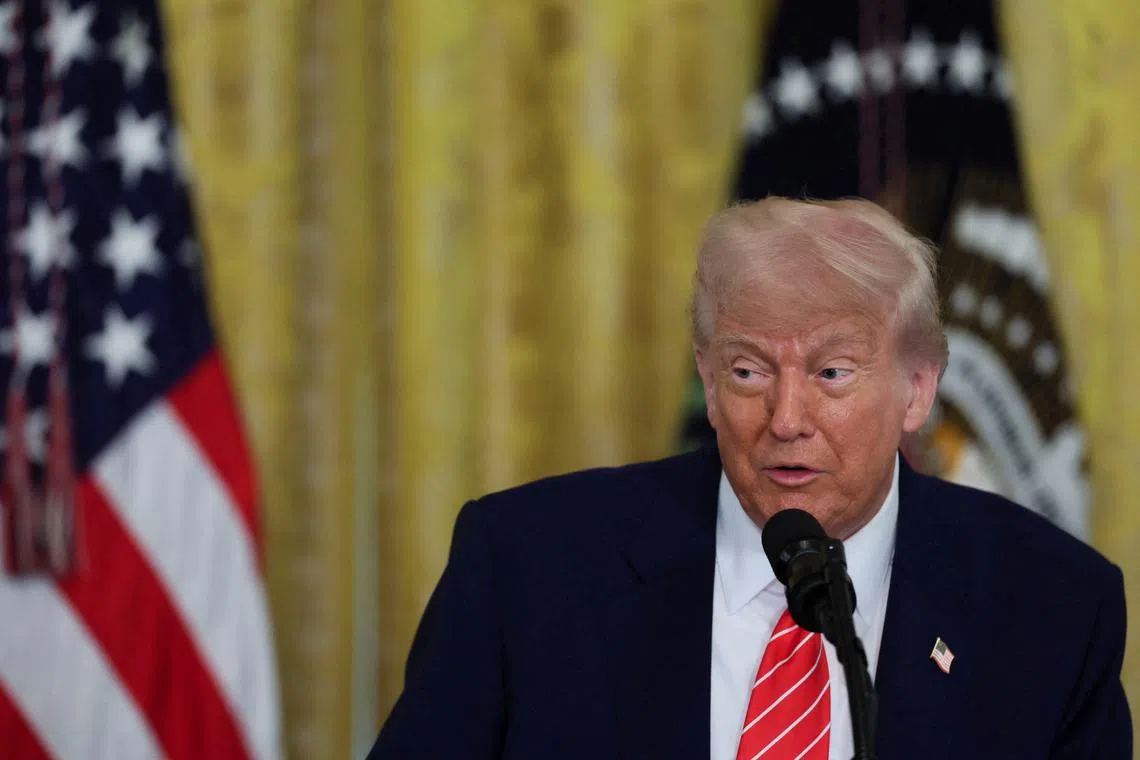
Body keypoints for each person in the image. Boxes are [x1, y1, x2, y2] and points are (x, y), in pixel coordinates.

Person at [368, 198, 1131, 759]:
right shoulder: (528, 569)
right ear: (704, 371)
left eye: (832, 372)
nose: (786, 416)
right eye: (746, 370)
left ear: (918, 389)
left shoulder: (1050, 610)